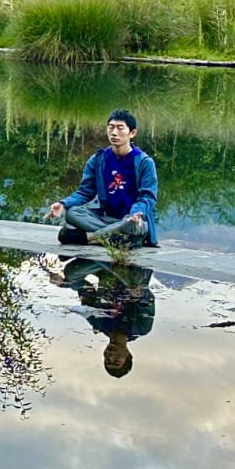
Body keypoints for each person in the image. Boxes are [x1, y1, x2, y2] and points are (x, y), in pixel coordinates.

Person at [47, 109, 159, 247]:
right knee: (72, 213)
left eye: (120, 128)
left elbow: (148, 197)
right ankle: (116, 237)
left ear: (132, 133)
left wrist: (136, 213)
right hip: (105, 218)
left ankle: (90, 238)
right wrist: (63, 204)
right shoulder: (98, 160)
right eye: (111, 128)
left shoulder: (144, 162)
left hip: (132, 219)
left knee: (132, 225)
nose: (114, 133)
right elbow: (85, 192)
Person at [56, 258, 155, 378]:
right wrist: (139, 294)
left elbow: (86, 290)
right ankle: (107, 259)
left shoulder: (98, 323)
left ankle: (106, 260)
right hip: (133, 275)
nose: (111, 356)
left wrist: (63, 283)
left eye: (107, 360)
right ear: (128, 355)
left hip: (105, 272)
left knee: (71, 273)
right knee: (134, 281)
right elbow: (148, 301)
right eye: (117, 361)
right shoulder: (141, 329)